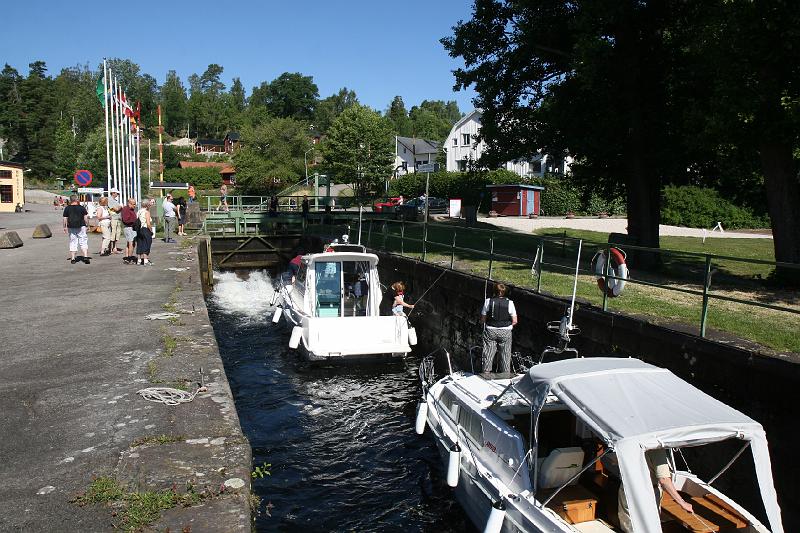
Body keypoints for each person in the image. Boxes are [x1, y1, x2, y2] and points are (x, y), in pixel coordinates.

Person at [616, 448, 693, 532]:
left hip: (627, 488)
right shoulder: (656, 448)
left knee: (629, 527)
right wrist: (682, 503)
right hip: (645, 494)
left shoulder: (632, 440)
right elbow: (664, 479)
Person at [480, 282, 518, 373]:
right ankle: (505, 375)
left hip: (490, 331)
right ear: (504, 292)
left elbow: (483, 319)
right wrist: (508, 326)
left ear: (494, 291)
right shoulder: (510, 303)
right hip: (506, 332)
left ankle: (486, 373)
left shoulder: (488, 301)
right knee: (505, 355)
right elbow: (515, 321)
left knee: (488, 354)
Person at [62, 194, 90, 264]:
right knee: (83, 241)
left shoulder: (67, 208)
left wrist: (64, 227)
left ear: (70, 200)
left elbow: (65, 218)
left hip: (71, 227)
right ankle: (85, 256)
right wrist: (88, 225)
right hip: (81, 226)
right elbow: (85, 218)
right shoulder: (82, 208)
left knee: (73, 241)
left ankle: (73, 258)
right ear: (77, 199)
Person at [136, 197, 154, 266]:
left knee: (140, 243)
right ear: (147, 205)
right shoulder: (147, 212)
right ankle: (145, 260)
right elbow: (148, 223)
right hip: (145, 229)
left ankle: (139, 260)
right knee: (147, 243)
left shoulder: (139, 211)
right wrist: (151, 230)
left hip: (139, 230)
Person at [120, 197, 139, 264]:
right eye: (133, 204)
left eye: (135, 204)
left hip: (131, 227)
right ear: (129, 203)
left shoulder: (131, 209)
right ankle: (129, 258)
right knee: (132, 243)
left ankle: (127, 257)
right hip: (129, 227)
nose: (135, 205)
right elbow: (125, 220)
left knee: (129, 243)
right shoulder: (126, 209)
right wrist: (135, 221)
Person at [108, 188, 124, 254]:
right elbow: (116, 209)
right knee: (113, 234)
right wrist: (121, 206)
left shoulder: (115, 200)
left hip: (117, 219)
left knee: (117, 234)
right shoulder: (109, 200)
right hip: (113, 219)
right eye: (117, 193)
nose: (117, 194)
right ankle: (111, 249)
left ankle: (114, 248)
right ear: (113, 193)